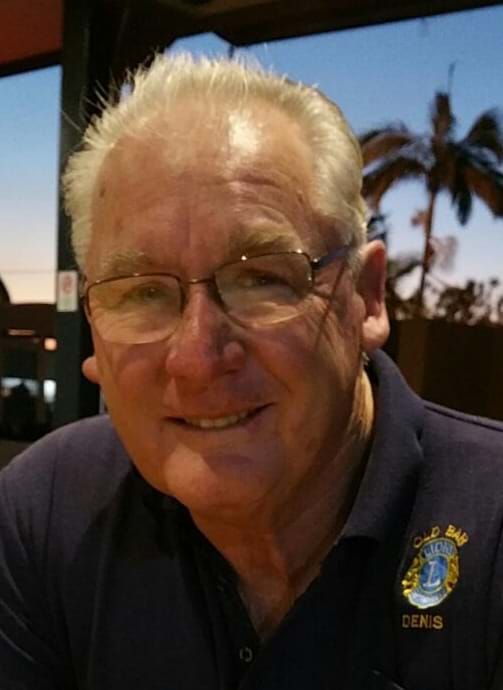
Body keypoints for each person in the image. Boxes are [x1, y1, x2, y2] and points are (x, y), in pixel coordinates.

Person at [1, 53, 503, 690]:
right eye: (142, 293)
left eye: (262, 279)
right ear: (94, 329)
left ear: (367, 297)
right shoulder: (45, 510)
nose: (195, 358)